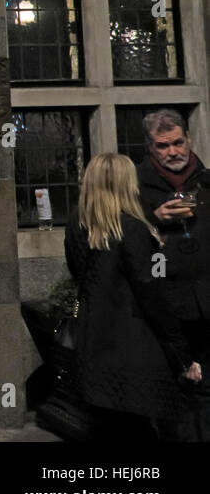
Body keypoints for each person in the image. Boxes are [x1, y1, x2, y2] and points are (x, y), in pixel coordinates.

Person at [66, 152, 202, 440]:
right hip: (133, 353)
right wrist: (183, 356)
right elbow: (152, 295)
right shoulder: (132, 229)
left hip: (93, 345)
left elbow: (82, 277)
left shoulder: (77, 225)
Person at [130, 109, 210, 439]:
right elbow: (122, 241)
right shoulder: (135, 187)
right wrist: (153, 219)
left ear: (188, 140)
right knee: (174, 392)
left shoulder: (206, 181)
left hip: (206, 303)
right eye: (163, 147)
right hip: (164, 308)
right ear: (151, 149)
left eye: (178, 143)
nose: (173, 152)